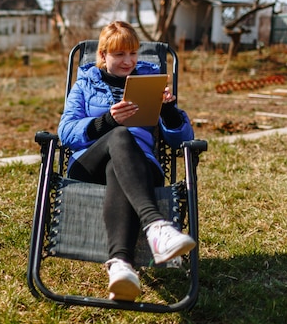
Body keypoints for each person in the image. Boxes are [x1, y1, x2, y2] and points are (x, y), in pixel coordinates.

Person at [57, 21, 196, 301]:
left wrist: (168, 111)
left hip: (139, 167)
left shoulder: (151, 80)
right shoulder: (85, 83)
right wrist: (108, 120)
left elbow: (181, 139)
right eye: (119, 54)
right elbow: (65, 132)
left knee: (117, 169)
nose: (128, 61)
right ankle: (156, 226)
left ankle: (120, 265)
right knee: (120, 134)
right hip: (88, 164)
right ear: (103, 55)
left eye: (133, 53)